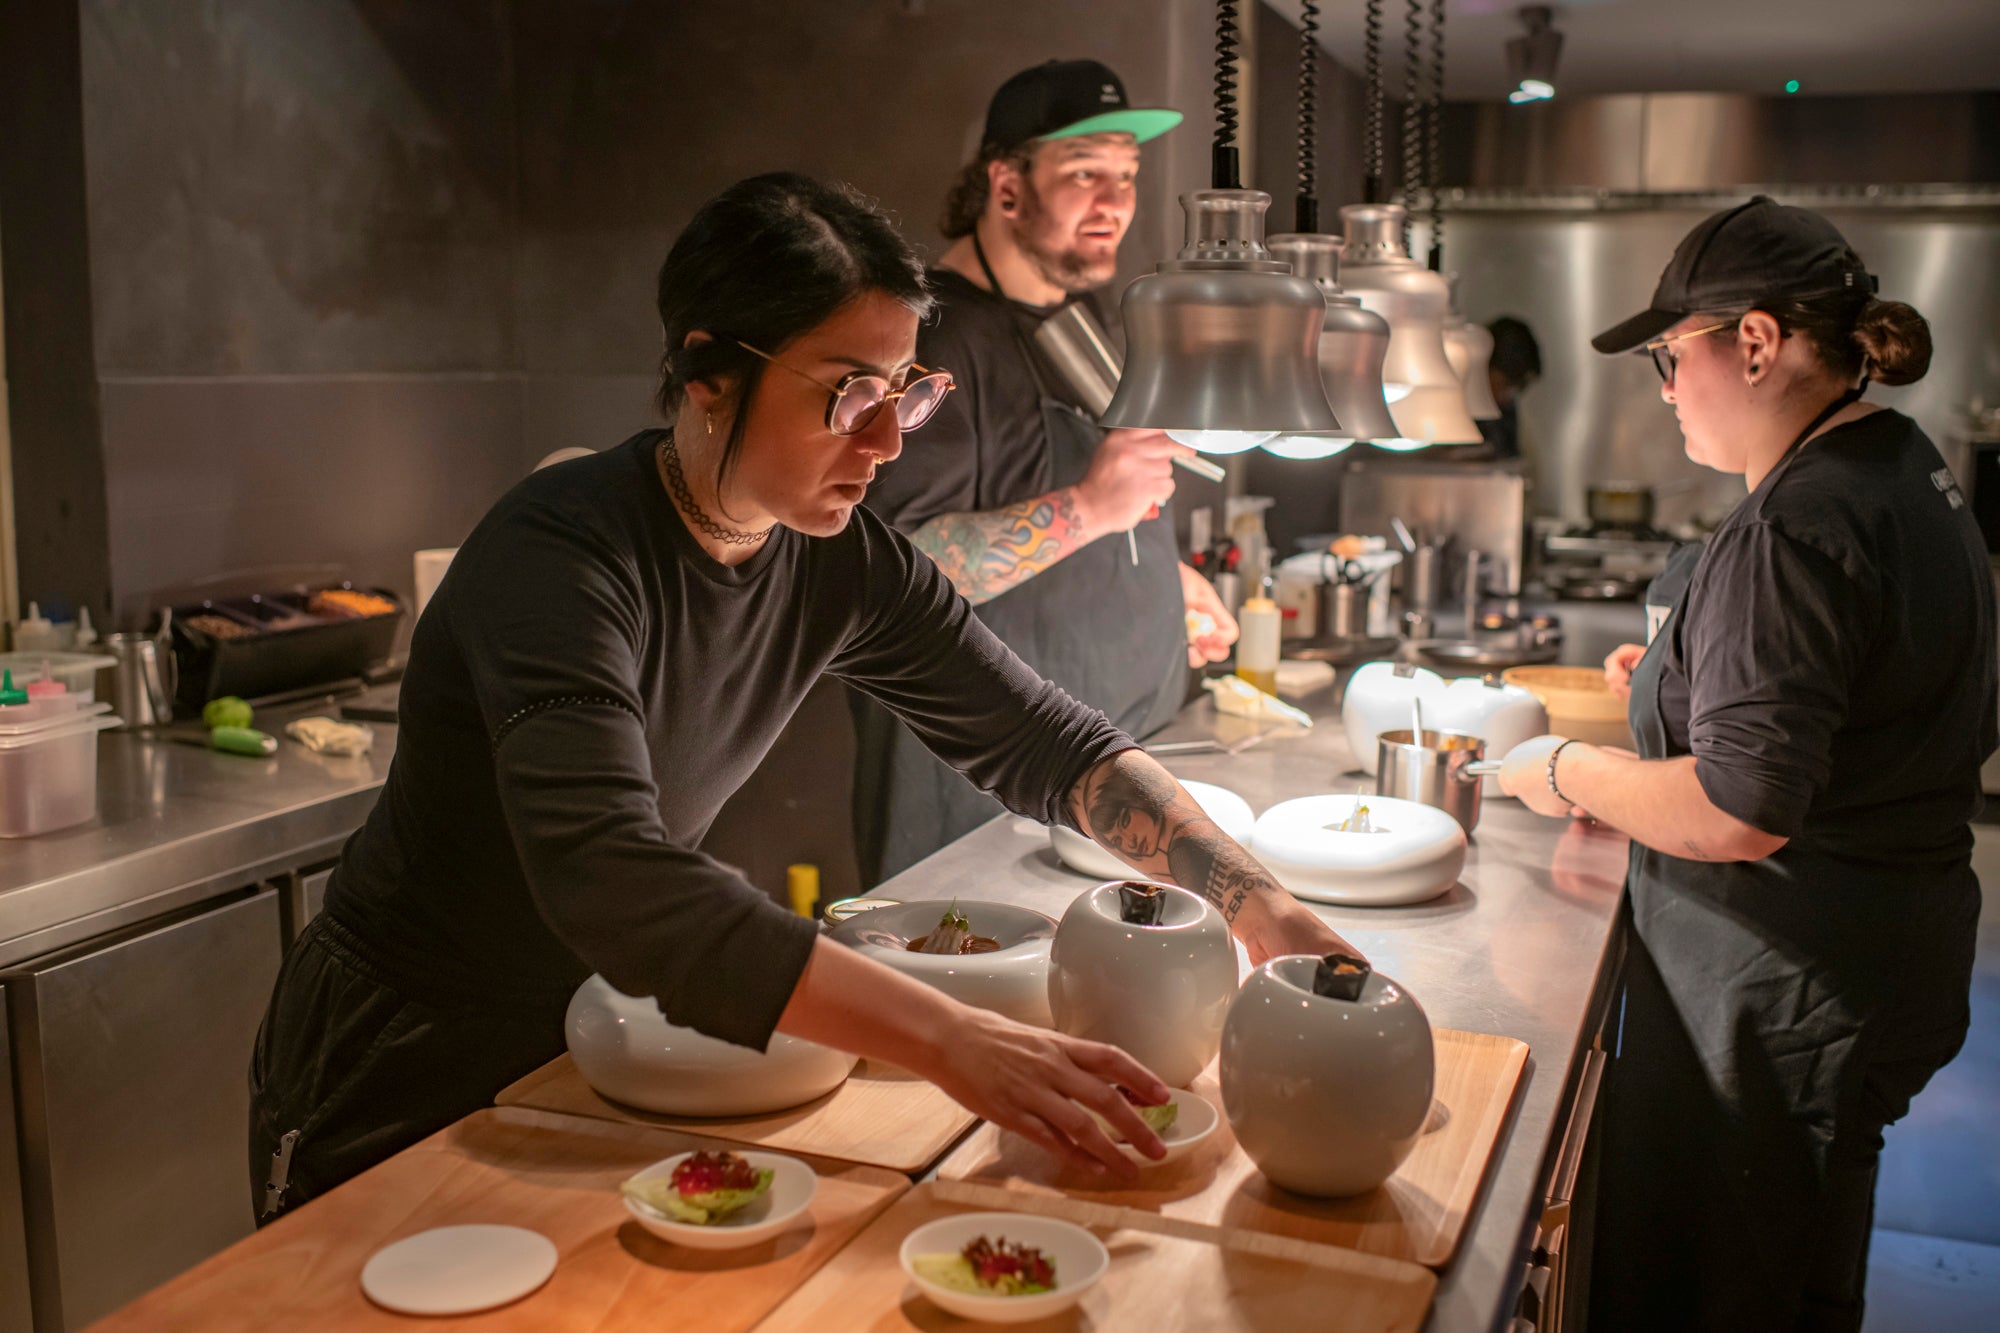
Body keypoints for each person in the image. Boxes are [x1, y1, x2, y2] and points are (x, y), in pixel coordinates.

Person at [247, 172, 1349, 1221]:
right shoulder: (564, 554)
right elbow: (611, 874)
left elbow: (1047, 744)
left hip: (593, 1034)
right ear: (705, 373)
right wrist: (953, 1039)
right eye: (848, 394)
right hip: (407, 1051)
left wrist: (1263, 907)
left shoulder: (832, 560)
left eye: (904, 395)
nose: (881, 444)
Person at [1499, 197, 1994, 1331]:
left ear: (1757, 344)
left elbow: (1738, 806)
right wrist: (1684, 671)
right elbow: (1875, 692)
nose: (1666, 388)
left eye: (1672, 358)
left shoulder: (1796, 521)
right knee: (1800, 1275)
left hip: (1779, 996)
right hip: (1881, 953)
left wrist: (1566, 769)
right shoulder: (1897, 465)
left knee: (1718, 1290)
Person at [851, 59, 1238, 885]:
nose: (1116, 202)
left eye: (1127, 177)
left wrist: (1167, 583)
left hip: (1112, 772)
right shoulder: (932, 337)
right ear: (1007, 182)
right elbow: (898, 570)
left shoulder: (1077, 309)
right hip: (988, 803)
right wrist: (1095, 508)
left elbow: (1072, 502)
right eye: (1084, 172)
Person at [1479, 315, 1540, 460]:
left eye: (1518, 387)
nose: (1507, 395)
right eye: (1503, 383)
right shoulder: (1452, 411)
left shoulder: (1507, 414)